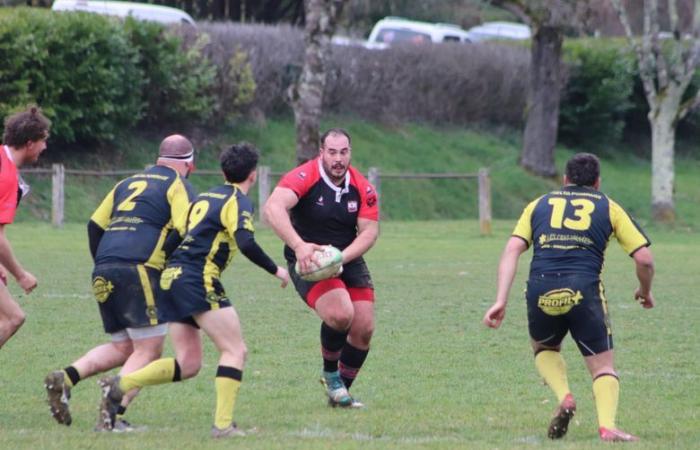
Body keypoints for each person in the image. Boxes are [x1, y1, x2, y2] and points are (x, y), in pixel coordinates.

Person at [97, 142, 289, 438]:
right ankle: (223, 426)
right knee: (235, 350)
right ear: (253, 174)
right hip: (197, 279)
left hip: (172, 277)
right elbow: (246, 241)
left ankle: (121, 383)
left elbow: (175, 236)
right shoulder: (237, 200)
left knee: (188, 364)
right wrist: (276, 269)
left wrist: (163, 271)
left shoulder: (205, 197)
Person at [482, 153, 655, 442]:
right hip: (583, 290)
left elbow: (512, 249)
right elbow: (645, 259)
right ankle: (607, 426)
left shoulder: (538, 204)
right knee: (603, 367)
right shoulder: (609, 207)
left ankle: (565, 397)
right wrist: (645, 291)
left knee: (544, 348)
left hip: (540, 287)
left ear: (564, 180)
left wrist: (501, 299)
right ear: (597, 182)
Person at [44, 134, 197, 430]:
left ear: (158, 159)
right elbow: (184, 228)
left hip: (104, 268)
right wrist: (163, 259)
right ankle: (113, 414)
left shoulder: (124, 184)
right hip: (139, 268)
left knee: (124, 347)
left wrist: (102, 261)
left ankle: (65, 378)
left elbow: (94, 225)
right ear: (189, 164)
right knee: (150, 349)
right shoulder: (177, 185)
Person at [263, 128, 379, 408]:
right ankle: (331, 375)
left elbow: (369, 232)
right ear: (322, 153)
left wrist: (340, 258)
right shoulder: (305, 176)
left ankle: (339, 393)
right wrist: (299, 245)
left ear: (350, 152)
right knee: (340, 315)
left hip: (345, 256)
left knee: (363, 328)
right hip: (308, 259)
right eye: (332, 152)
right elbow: (273, 207)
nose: (338, 159)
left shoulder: (362, 187)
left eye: (344, 152)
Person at [0, 106, 50, 348]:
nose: (45, 147)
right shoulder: (6, 175)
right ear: (30, 143)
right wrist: (20, 275)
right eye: (43, 141)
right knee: (13, 318)